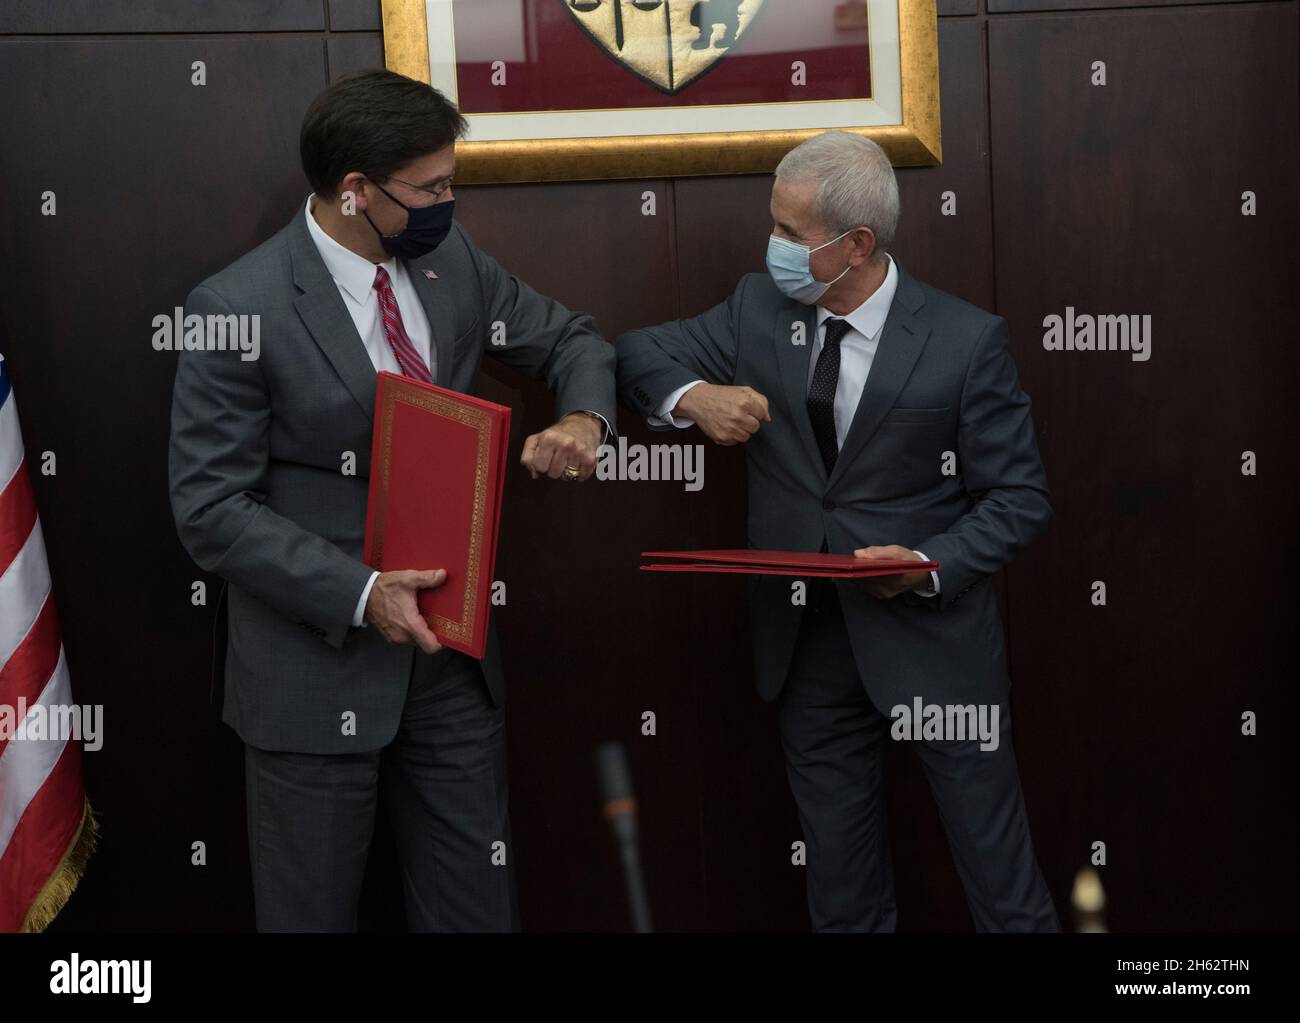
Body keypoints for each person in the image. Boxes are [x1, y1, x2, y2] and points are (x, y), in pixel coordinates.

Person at [168, 69, 616, 932]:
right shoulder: (235, 307)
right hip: (313, 663)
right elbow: (209, 507)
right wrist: (362, 593)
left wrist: (586, 420)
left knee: (476, 910)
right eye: (432, 188)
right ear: (354, 192)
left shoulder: (450, 259)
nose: (450, 202)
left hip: (450, 664)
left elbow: (569, 337)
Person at [615, 130, 1058, 932]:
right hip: (808, 648)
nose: (771, 247)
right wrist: (692, 397)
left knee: (1002, 886)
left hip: (938, 651)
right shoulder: (756, 308)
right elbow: (638, 351)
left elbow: (1020, 499)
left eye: (789, 233)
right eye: (773, 225)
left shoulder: (965, 341)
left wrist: (926, 564)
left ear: (856, 246)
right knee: (843, 894)